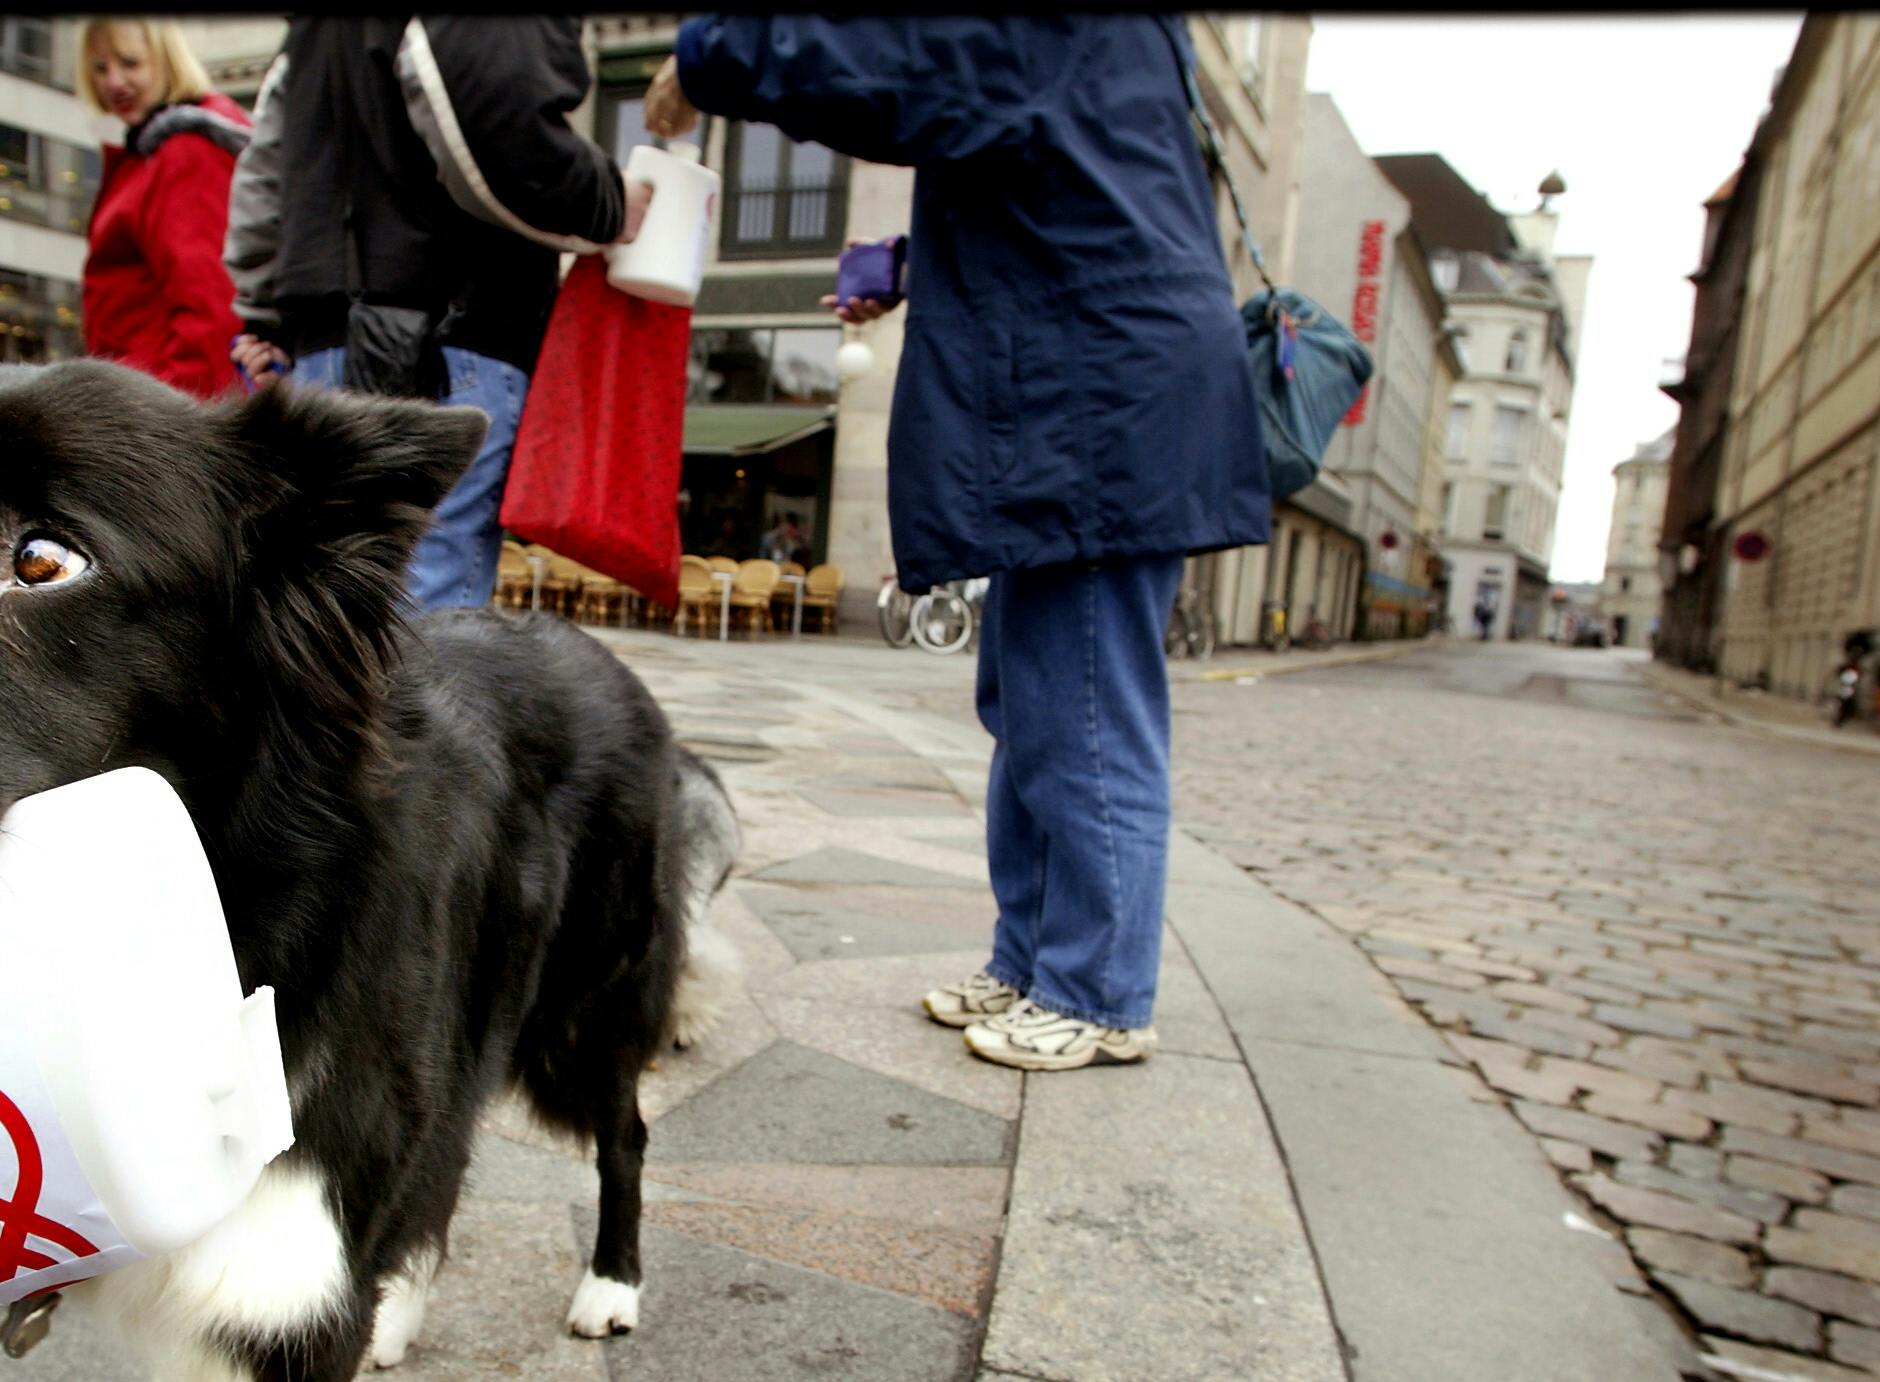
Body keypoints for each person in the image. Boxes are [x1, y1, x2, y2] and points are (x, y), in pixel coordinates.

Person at [649, 17, 1270, 1071]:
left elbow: (891, 66)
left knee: (1078, 699)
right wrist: (906, 262)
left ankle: (1100, 989)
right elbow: (1060, 184)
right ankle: (1033, 958)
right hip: (1090, 376)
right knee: (1030, 697)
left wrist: (709, 54)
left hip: (1096, 396)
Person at [225, 17, 647, 610]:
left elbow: (265, 165)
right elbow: (502, 129)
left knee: (320, 605)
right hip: (452, 327)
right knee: (430, 621)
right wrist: (610, 202)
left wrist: (265, 314)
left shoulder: (309, 32)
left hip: (324, 339)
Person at [77, 19, 252, 398]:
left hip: (164, 405)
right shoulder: (148, 154)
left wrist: (182, 433)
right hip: (148, 400)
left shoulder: (185, 150)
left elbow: (209, 307)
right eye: (100, 68)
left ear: (166, 60)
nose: (113, 82)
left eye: (130, 63)